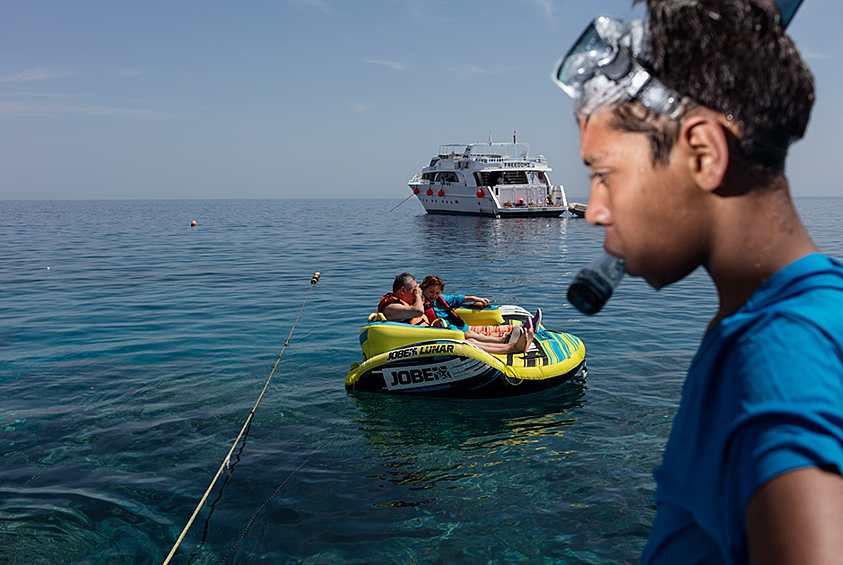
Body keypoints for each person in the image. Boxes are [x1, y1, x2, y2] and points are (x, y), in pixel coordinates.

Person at [552, 1, 843, 563]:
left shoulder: (779, 353)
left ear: (704, 153)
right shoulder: (785, 316)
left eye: (603, 175)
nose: (592, 210)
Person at [378, 273, 533, 353]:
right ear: (403, 290)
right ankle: (511, 348)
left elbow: (453, 299)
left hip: (426, 335)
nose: (415, 293)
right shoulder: (391, 307)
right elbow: (418, 311)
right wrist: (419, 295)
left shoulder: (406, 301)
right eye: (414, 290)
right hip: (418, 342)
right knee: (466, 341)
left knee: (469, 336)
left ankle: (507, 341)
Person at [420, 275, 542, 340]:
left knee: (488, 329)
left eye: (437, 293)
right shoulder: (419, 303)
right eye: (431, 292)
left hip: (460, 326)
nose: (434, 295)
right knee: (484, 334)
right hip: (452, 331)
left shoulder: (441, 299)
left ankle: (524, 327)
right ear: (423, 288)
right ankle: (517, 334)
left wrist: (476, 298)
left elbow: (458, 298)